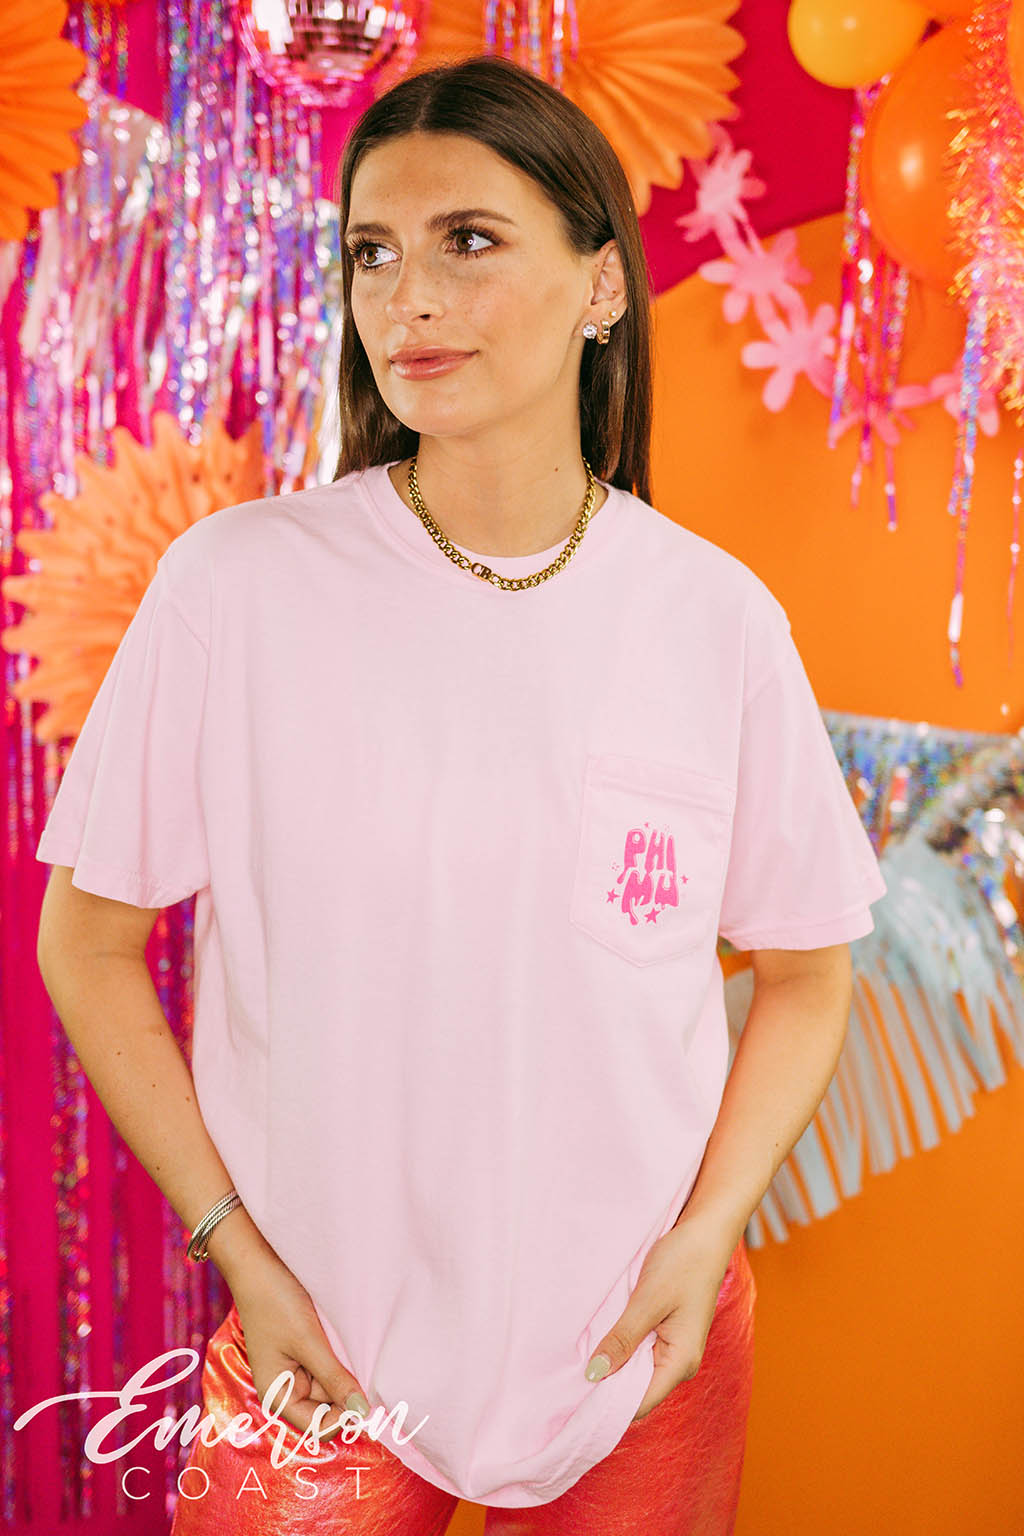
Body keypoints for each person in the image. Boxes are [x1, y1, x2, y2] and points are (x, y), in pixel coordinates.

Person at [35, 51, 888, 1536]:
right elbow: (86, 942)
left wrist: (707, 1237)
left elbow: (811, 973)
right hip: (319, 1342)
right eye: (373, 253)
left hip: (641, 1340)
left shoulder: (712, 619)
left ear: (602, 284)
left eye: (467, 242)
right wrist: (241, 1253)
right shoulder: (237, 590)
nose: (407, 300)